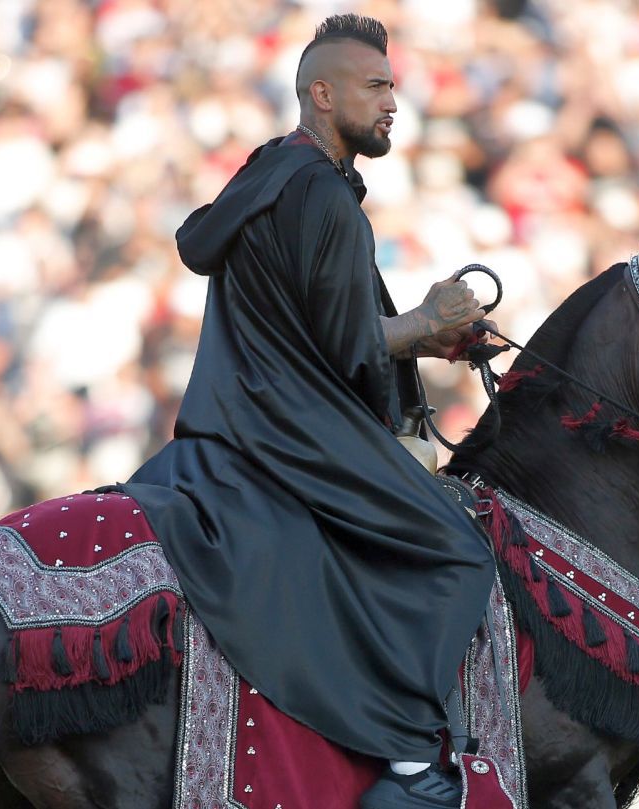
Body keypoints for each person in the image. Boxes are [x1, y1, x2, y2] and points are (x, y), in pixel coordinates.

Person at [123, 15, 496, 808]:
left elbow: (318, 330)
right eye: (376, 86)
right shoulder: (324, 196)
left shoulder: (268, 170)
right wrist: (427, 322)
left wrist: (429, 341)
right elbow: (345, 351)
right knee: (459, 554)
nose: (394, 101)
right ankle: (408, 765)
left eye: (393, 84)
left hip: (231, 423)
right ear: (322, 95)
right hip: (295, 433)